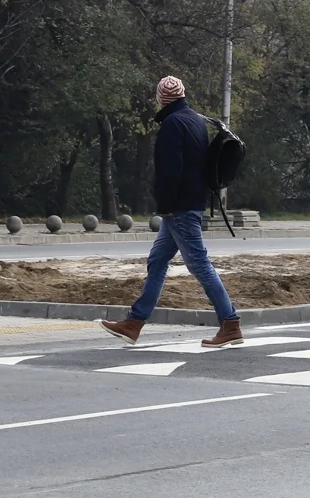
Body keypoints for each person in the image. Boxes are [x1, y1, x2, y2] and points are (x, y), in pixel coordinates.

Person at [100, 76, 241, 348]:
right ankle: (134, 323)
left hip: (179, 206)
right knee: (157, 261)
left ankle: (230, 323)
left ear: (161, 99)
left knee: (199, 264)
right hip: (189, 202)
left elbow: (170, 171)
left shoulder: (172, 125)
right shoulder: (195, 120)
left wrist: (165, 206)